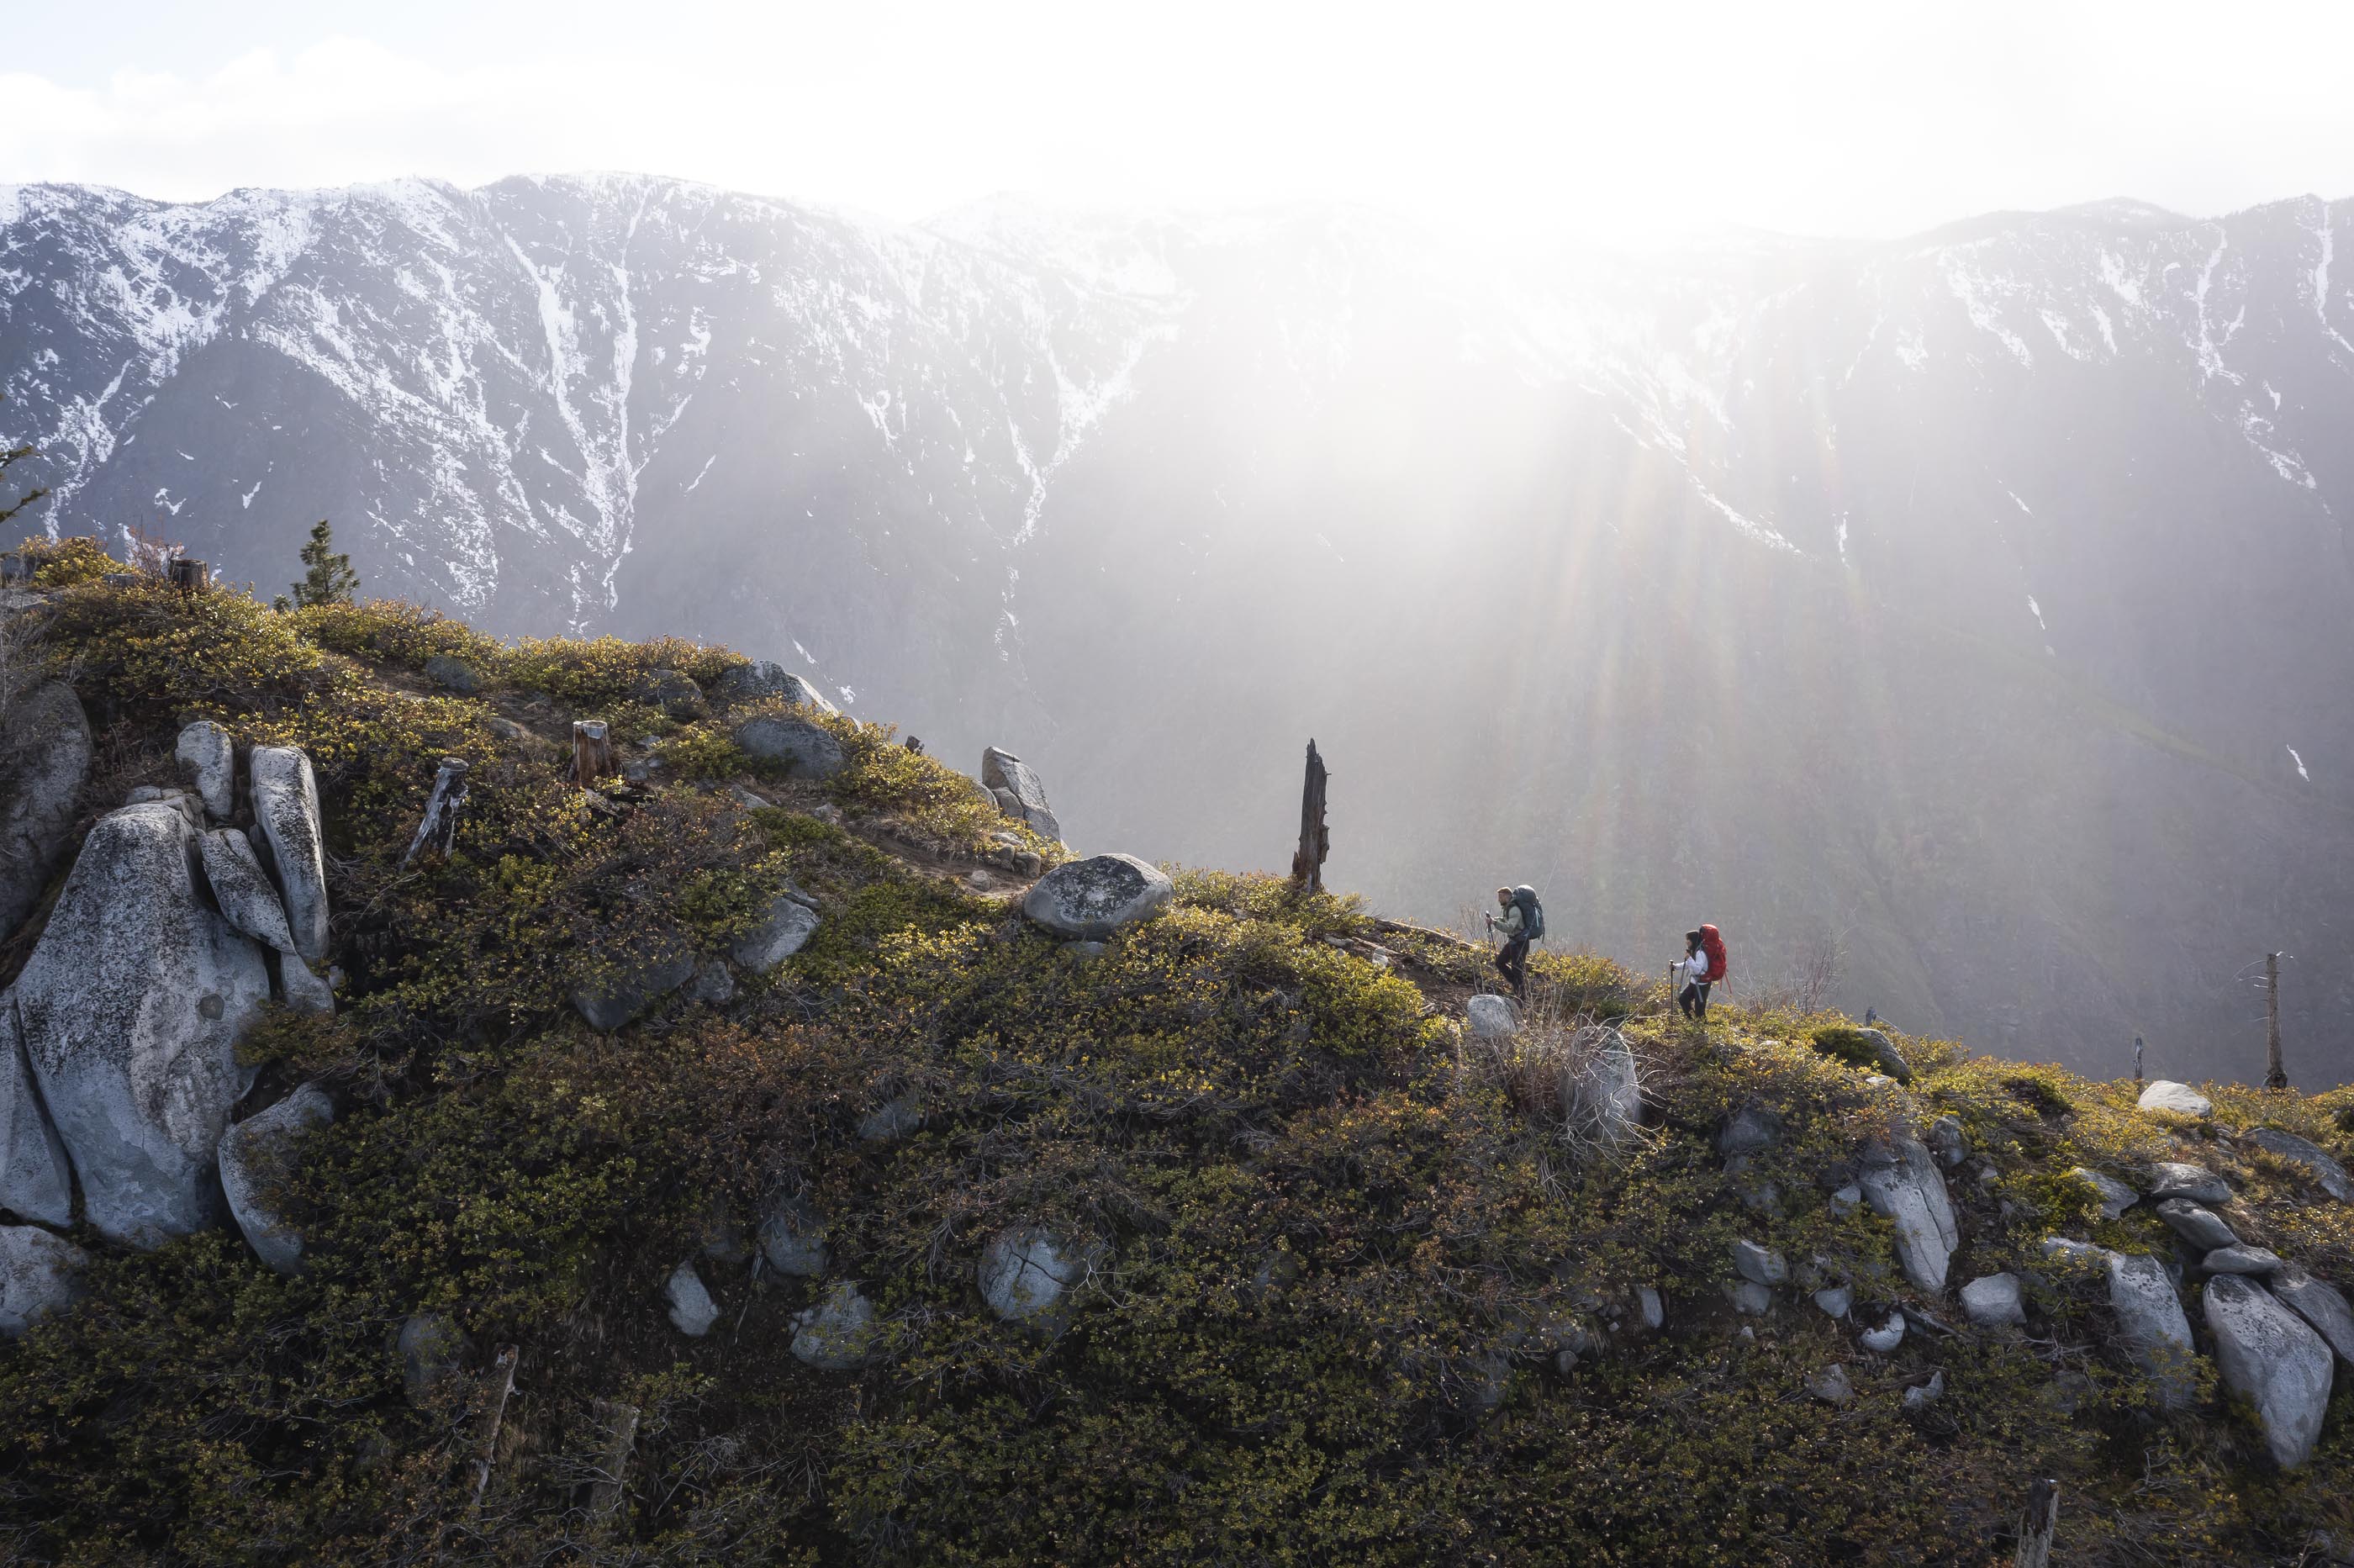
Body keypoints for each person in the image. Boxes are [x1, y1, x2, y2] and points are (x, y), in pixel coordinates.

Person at [1486, 886, 1531, 1000]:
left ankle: (1521, 997)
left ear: (1507, 896)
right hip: (1514, 942)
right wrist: (1495, 920)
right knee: (1500, 963)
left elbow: (1509, 927)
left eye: (1500, 897)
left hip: (1520, 942)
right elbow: (1506, 920)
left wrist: (1495, 923)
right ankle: (1517, 987)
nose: (1499, 900)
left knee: (1517, 969)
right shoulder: (1508, 908)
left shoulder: (1514, 909)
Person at [1676, 928, 1713, 1020]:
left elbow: (1697, 970)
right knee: (1683, 999)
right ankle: (1693, 1021)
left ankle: (1701, 1028)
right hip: (1694, 983)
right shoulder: (1695, 951)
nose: (1687, 942)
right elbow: (1690, 965)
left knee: (1700, 1011)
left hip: (1702, 985)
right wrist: (1675, 966)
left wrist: (1689, 958)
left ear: (1693, 940)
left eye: (1689, 939)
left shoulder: (1700, 953)